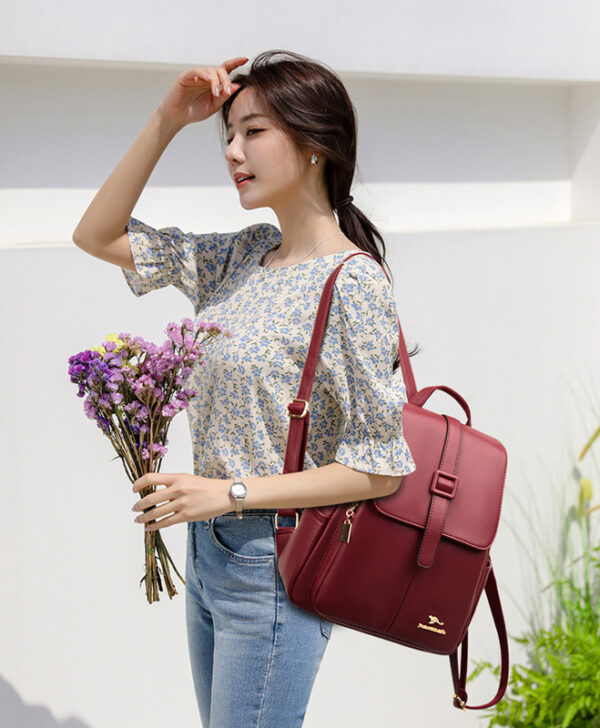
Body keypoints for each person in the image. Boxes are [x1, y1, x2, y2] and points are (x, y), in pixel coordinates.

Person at [73, 49, 418, 728]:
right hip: (209, 553)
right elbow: (96, 234)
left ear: (315, 142)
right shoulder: (241, 256)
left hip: (273, 562)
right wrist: (167, 120)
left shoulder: (352, 281)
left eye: (253, 131)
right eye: (228, 135)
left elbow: (379, 469)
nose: (233, 151)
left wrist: (228, 492)